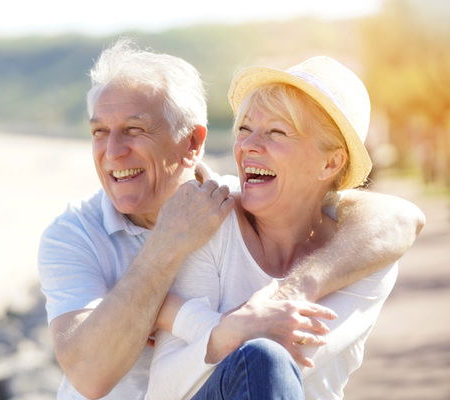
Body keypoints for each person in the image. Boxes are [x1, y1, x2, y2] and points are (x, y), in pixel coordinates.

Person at [38, 39, 425, 400]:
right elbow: (90, 374)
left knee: (266, 360)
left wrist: (288, 292)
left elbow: (399, 216)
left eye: (134, 130)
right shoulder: (74, 234)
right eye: (99, 133)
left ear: (193, 142)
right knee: (264, 358)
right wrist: (167, 247)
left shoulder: (224, 214)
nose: (112, 151)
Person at [146, 57, 414, 400]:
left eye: (276, 132)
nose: (248, 146)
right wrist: (221, 332)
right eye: (244, 129)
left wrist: (183, 316)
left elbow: (286, 360)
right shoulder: (213, 224)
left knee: (266, 359)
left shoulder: (366, 259)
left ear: (330, 163)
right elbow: (164, 390)